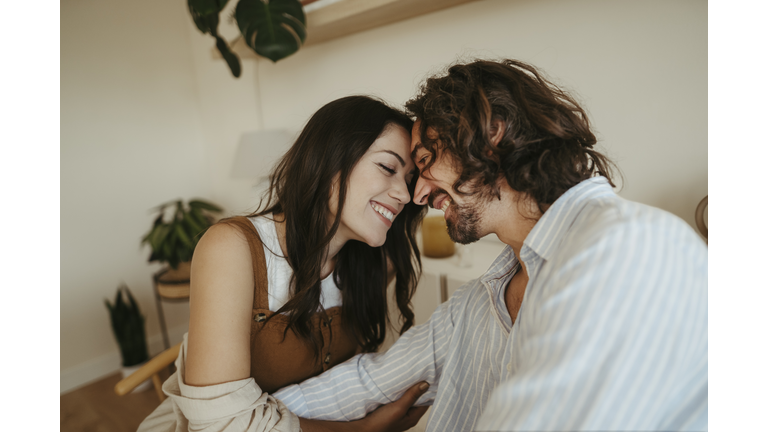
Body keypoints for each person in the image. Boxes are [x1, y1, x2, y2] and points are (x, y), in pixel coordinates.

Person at [273, 60, 708, 431]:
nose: (418, 196)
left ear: (491, 134)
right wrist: (236, 420)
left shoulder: (629, 245)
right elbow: (365, 384)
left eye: (424, 162)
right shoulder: (477, 306)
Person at [137, 95, 429, 432]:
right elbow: (221, 424)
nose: (405, 195)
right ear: (329, 157)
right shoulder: (232, 248)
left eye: (408, 180)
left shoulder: (378, 262)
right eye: (388, 168)